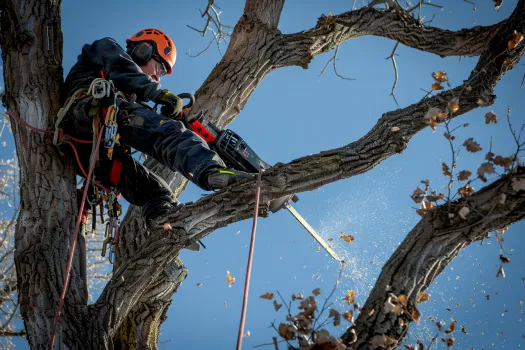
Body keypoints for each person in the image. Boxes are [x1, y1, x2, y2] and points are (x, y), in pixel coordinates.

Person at [61, 28, 248, 231]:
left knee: (158, 193)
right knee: (167, 131)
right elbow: (125, 70)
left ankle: (164, 224)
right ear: (143, 51)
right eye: (159, 69)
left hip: (92, 151)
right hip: (89, 114)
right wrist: (160, 95)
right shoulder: (107, 48)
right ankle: (210, 171)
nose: (157, 78)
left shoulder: (127, 96)